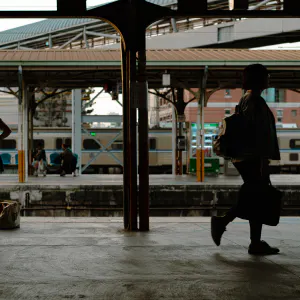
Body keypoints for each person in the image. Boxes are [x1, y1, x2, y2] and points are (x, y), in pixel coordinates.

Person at [211, 64, 281, 255]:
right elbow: (255, 133)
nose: (269, 79)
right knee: (254, 196)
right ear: (259, 79)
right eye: (266, 76)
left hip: (248, 157)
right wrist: (262, 159)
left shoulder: (247, 99)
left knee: (256, 197)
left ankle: (255, 242)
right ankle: (222, 221)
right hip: (252, 157)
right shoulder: (254, 100)